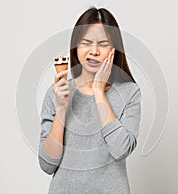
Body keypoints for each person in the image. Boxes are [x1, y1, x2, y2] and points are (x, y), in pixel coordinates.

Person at [38, 6, 142, 194]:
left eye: (103, 44)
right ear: (76, 46)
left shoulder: (129, 92)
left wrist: (99, 92)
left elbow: (121, 149)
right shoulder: (57, 92)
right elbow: (47, 164)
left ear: (114, 49)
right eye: (86, 42)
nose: (94, 51)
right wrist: (61, 108)